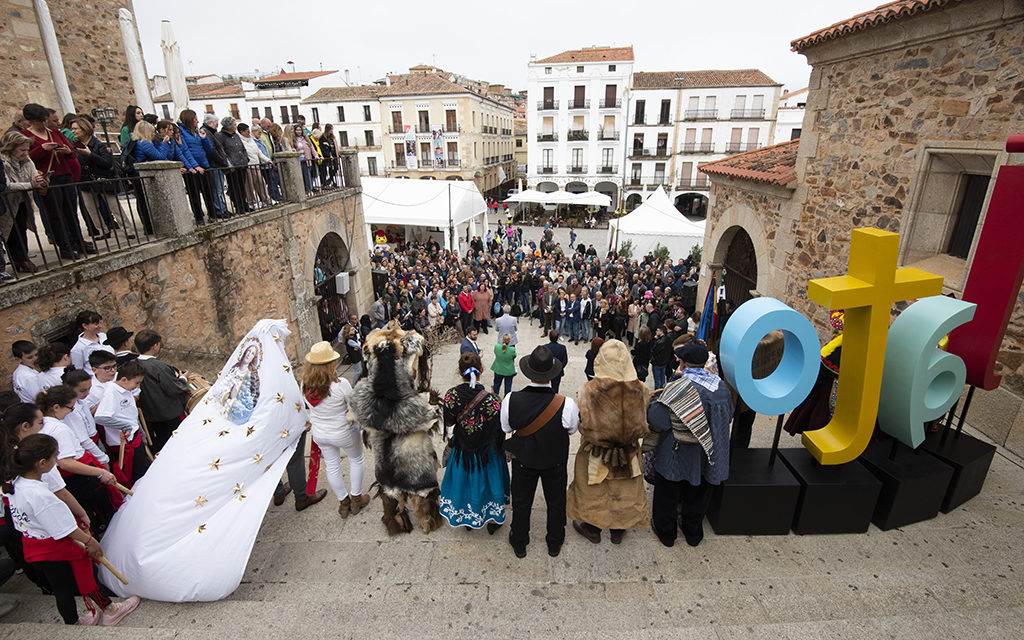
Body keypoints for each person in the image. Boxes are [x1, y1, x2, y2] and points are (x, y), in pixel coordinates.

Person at [3, 433, 141, 625]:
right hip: (58, 544)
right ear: (42, 463)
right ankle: (110, 610)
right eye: (55, 457)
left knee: (61, 589)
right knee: (87, 578)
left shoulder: (15, 483)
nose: (58, 460)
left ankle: (73, 622)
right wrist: (89, 541)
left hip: (35, 543)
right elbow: (63, 528)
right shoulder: (40, 494)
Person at [647, 343, 733, 547]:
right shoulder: (720, 387)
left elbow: (658, 420)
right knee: (699, 492)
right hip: (707, 452)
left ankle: (667, 532)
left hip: (677, 451)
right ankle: (693, 532)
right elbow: (727, 416)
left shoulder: (679, 386)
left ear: (683, 363)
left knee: (668, 493)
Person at [567, 340, 649, 545]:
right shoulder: (642, 389)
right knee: (624, 490)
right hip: (628, 452)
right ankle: (618, 530)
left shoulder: (588, 390)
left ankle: (592, 527)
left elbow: (584, 426)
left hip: (597, 451)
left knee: (594, 490)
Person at [501, 345, 579, 558]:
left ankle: (520, 540)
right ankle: (554, 541)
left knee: (522, 501)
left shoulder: (510, 399)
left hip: (524, 460)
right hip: (554, 461)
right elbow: (572, 429)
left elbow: (506, 428)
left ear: (529, 371)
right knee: (555, 501)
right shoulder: (567, 404)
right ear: (552, 373)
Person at [439, 352, 509, 532]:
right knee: (490, 483)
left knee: (465, 484)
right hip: (488, 452)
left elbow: (449, 422)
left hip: (463, 449)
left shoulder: (452, 395)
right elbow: (499, 429)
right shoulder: (493, 400)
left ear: (459, 372)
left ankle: (466, 517)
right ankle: (493, 519)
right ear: (482, 370)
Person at [36, 386, 121, 529]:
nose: (71, 412)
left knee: (88, 511)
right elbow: (66, 462)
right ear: (56, 407)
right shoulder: (59, 429)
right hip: (80, 477)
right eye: (70, 408)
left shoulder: (42, 424)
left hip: (72, 478)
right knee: (106, 510)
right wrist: (100, 472)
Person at [302, 342, 368, 518]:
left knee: (331, 465)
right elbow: (354, 405)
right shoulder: (340, 385)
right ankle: (356, 498)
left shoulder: (305, 384)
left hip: (320, 433)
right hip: (343, 431)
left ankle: (343, 501)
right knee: (356, 459)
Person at [21, 103, 88, 261]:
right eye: (40, 121)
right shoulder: (26, 136)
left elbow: (71, 152)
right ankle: (65, 245)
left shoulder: (55, 132)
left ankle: (78, 242)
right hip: (48, 179)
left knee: (71, 211)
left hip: (65, 175)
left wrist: (66, 150)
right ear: (31, 120)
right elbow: (26, 158)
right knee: (55, 214)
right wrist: (42, 149)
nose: (43, 124)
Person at [93, 359, 150, 485]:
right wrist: (125, 426)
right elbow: (100, 417)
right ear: (124, 379)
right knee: (137, 474)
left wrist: (141, 433)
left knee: (145, 468)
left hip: (135, 437)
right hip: (125, 441)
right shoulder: (111, 393)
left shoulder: (126, 390)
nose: (137, 386)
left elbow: (131, 414)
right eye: (137, 383)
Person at [133, 330, 189, 453]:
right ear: (155, 346)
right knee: (176, 441)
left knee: (161, 440)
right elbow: (174, 389)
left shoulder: (133, 364)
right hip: (169, 413)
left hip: (150, 413)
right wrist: (183, 378)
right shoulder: (160, 367)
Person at [69, 118, 123, 241]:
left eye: (75, 128)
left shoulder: (98, 144)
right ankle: (102, 230)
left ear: (84, 128)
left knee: (114, 206)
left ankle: (127, 228)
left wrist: (90, 154)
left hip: (101, 179)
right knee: (91, 208)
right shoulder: (73, 146)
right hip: (85, 181)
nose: (73, 131)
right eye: (72, 128)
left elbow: (107, 163)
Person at [1, 131, 45, 274]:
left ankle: (21, 258)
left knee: (21, 228)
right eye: (22, 150)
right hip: (7, 203)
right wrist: (30, 185)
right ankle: (18, 259)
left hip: (22, 201)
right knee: (10, 230)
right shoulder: (4, 162)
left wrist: (39, 180)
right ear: (11, 147)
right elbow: (6, 185)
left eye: (27, 149)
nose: (25, 153)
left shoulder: (27, 161)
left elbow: (33, 175)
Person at [177, 109, 217, 224]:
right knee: (194, 195)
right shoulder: (181, 133)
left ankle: (212, 214)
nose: (197, 121)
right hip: (193, 169)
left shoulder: (198, 132)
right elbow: (185, 151)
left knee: (208, 193)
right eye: (195, 119)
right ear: (189, 120)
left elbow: (209, 149)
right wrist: (194, 166)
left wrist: (204, 139)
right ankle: (199, 217)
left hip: (204, 166)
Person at [216, 117, 250, 215]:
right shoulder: (221, 136)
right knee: (235, 187)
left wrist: (245, 158)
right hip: (232, 167)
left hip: (242, 164)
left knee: (242, 186)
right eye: (234, 124)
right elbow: (222, 151)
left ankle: (244, 204)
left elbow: (242, 148)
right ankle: (239, 206)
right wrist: (228, 163)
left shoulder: (236, 136)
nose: (236, 126)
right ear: (229, 126)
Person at [69, 310, 114, 374]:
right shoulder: (78, 349)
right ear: (85, 326)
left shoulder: (104, 336)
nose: (100, 326)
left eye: (100, 323)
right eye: (96, 324)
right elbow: (78, 372)